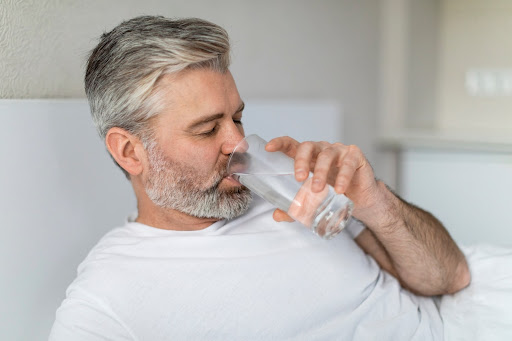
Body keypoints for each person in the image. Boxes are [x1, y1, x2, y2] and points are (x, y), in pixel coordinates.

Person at [50, 15, 470, 340]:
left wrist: (378, 204)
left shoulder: (288, 192)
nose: (238, 141)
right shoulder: (108, 299)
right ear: (130, 151)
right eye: (208, 129)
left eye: (237, 117)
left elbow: (449, 278)